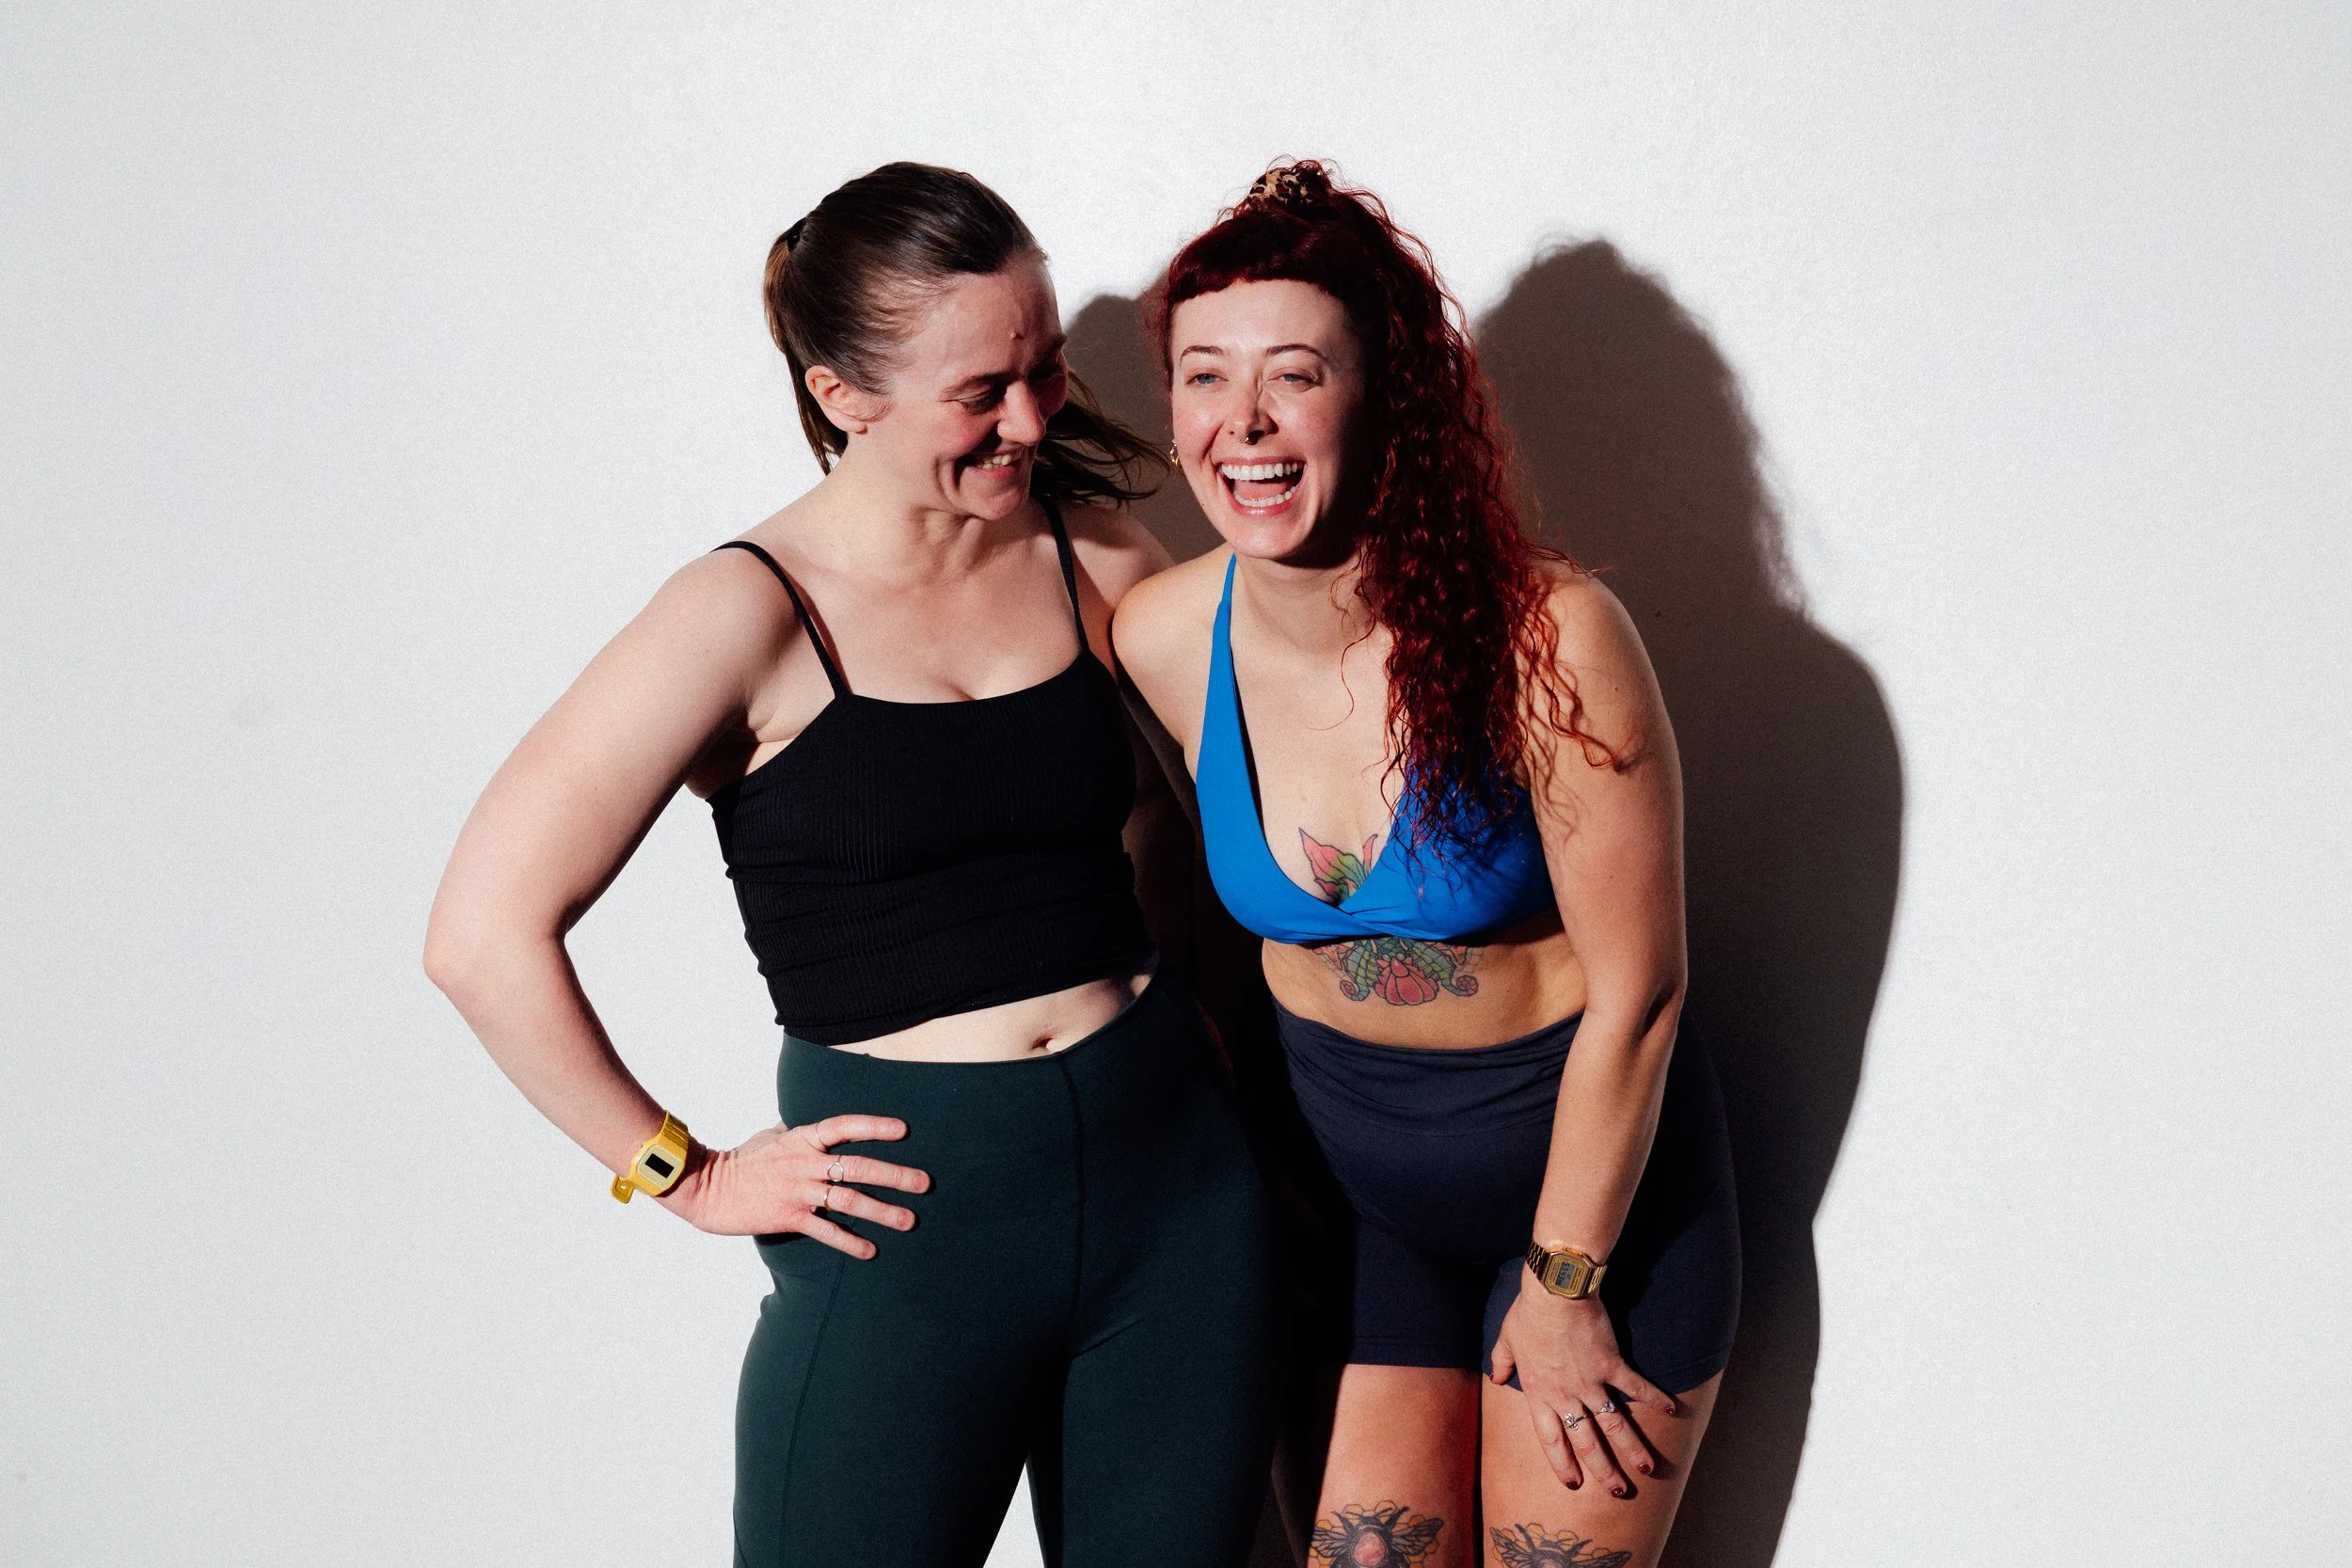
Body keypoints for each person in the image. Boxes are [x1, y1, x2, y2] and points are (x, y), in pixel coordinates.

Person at [424, 162, 1283, 1568]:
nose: (1031, 419)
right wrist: (688, 1173)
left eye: (1047, 369)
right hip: (906, 1227)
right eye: (982, 392)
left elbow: (1231, 804)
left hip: (1177, 1199)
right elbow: (481, 929)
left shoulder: (1095, 552)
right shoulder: (740, 614)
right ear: (841, 396)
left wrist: (1202, 1009)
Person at [1114, 162, 1740, 1568]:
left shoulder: (1549, 639)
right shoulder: (1158, 637)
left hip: (1601, 1218)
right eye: (1205, 376)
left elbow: (1643, 989)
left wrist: (1567, 1283)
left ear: (1385, 395)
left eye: (1294, 374)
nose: (1245, 424)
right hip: (1363, 1214)